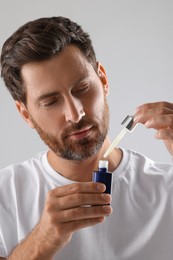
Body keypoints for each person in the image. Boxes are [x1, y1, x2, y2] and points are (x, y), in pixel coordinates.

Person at [0, 16, 173, 260]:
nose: (75, 113)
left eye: (82, 88)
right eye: (50, 101)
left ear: (102, 79)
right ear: (25, 114)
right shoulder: (6, 196)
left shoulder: (167, 188)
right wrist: (40, 243)